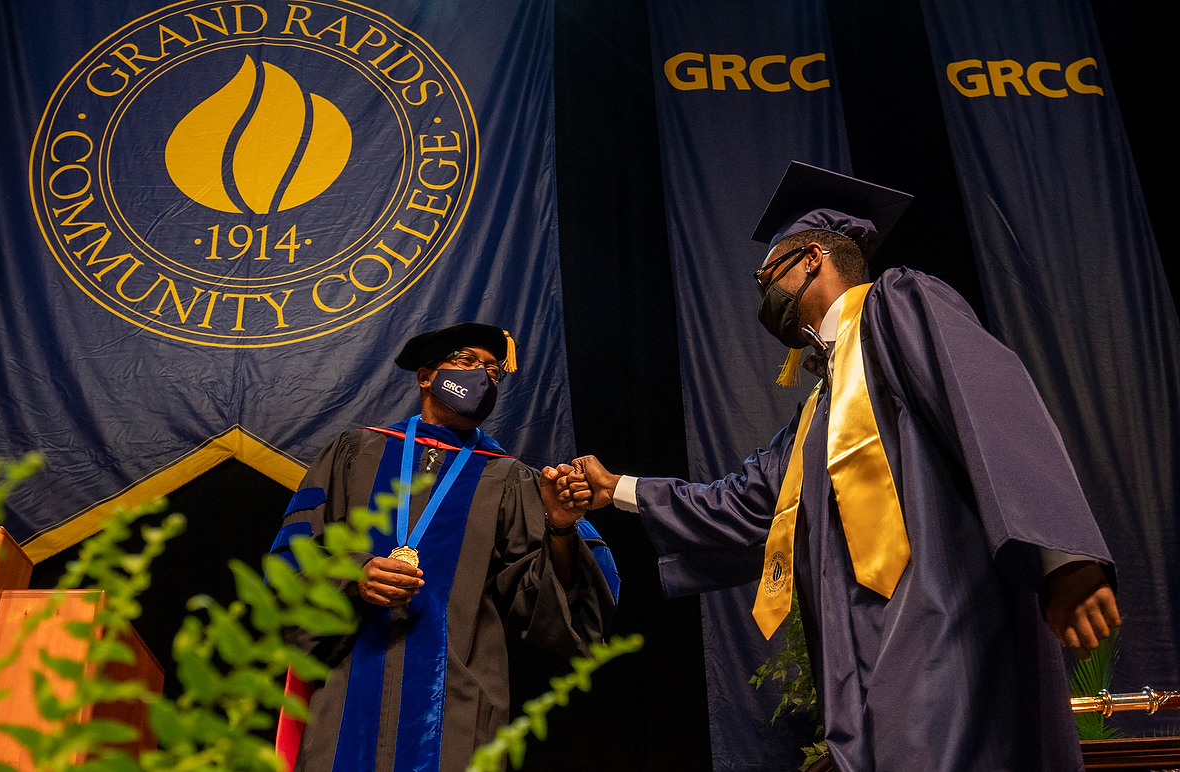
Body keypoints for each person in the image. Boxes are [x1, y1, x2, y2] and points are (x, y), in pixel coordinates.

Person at [560, 163, 1121, 771]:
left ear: (811, 258)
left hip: (945, 622)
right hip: (861, 665)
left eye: (766, 276)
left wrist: (1064, 559)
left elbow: (992, 405)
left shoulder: (898, 304)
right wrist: (617, 488)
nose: (762, 295)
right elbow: (741, 505)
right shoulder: (815, 416)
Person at [271, 322, 616, 772]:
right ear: (426, 376)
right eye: (467, 361)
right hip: (346, 685)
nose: (482, 376)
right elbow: (292, 560)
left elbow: (551, 603)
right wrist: (353, 575)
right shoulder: (355, 453)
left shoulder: (510, 480)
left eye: (493, 371)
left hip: (457, 702)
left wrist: (560, 526)